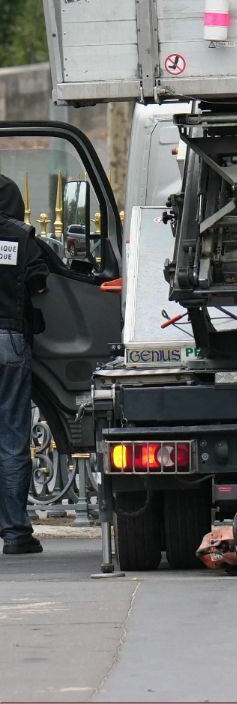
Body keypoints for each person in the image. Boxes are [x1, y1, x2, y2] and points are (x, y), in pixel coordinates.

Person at [0, 175, 51, 556]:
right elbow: (40, 284)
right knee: (12, 437)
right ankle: (16, 533)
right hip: (9, 340)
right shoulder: (21, 238)